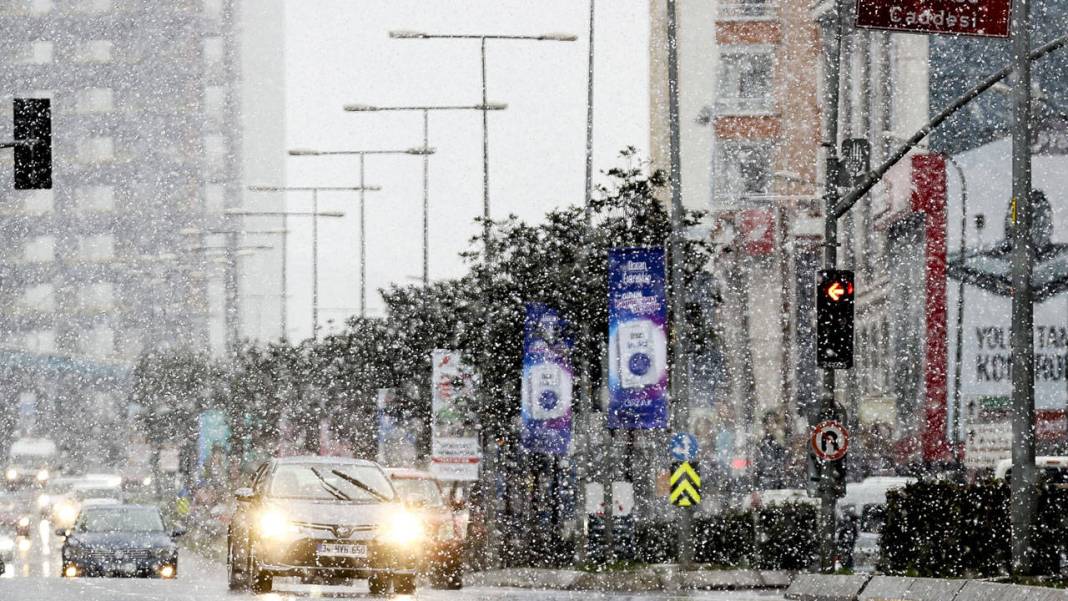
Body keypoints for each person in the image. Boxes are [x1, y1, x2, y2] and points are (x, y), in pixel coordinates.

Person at [837, 505, 860, 570]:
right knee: (846, 555)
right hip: (845, 548)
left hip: (847, 549)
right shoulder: (846, 529)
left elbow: (854, 538)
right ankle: (846, 566)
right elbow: (841, 540)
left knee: (848, 555)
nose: (855, 523)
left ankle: (847, 566)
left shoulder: (852, 529)